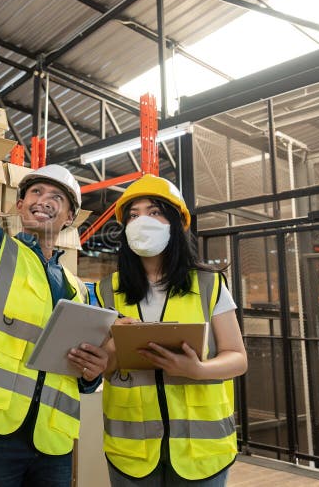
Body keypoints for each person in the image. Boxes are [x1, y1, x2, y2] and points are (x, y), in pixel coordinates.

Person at [0, 54, 109, 487]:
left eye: (58, 197)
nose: (44, 200)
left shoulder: (79, 289)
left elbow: (86, 378)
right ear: (19, 206)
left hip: (52, 440)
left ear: (69, 217)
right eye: (35, 191)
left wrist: (93, 372)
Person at [95, 174, 247, 486]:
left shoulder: (208, 284)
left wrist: (197, 369)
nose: (142, 222)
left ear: (176, 223)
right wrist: (109, 351)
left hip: (200, 452)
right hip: (132, 450)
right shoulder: (106, 291)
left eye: (154, 212)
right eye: (133, 216)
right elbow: (103, 368)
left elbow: (237, 358)